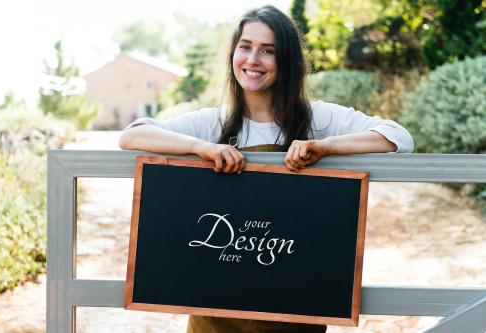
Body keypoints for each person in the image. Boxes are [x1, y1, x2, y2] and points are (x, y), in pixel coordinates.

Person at [120, 5, 413, 333]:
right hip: (216, 312)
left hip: (293, 308)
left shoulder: (318, 119)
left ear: (287, 61)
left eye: (267, 51)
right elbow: (132, 135)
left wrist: (324, 146)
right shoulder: (211, 122)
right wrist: (200, 147)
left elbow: (397, 137)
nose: (252, 60)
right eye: (245, 47)